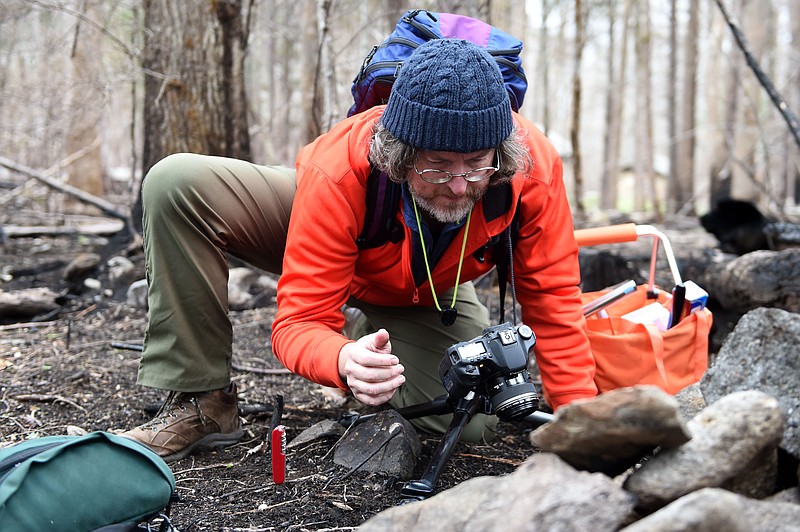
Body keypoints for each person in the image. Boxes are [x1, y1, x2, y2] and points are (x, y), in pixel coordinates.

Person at [122, 39, 598, 462]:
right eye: (436, 166)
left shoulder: (529, 167)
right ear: (400, 153)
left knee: (470, 422)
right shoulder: (341, 168)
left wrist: (580, 416)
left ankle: (369, 326)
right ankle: (201, 402)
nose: (458, 185)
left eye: (477, 165)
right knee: (177, 183)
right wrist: (341, 360)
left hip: (424, 292)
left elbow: (553, 298)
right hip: (328, 230)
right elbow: (298, 323)